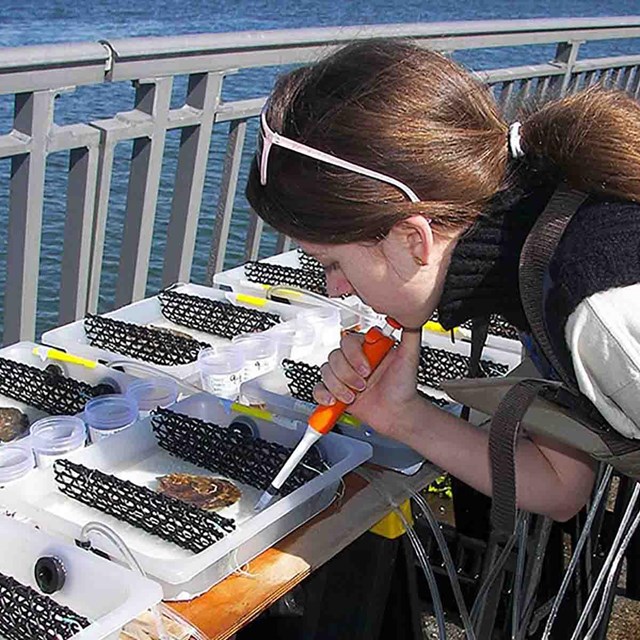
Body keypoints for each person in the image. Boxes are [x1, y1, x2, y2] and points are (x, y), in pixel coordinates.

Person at [245, 38, 640, 522]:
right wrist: (401, 415)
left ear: (413, 240)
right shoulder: (530, 242)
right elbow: (561, 487)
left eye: (332, 264)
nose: (336, 289)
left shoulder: (599, 302)